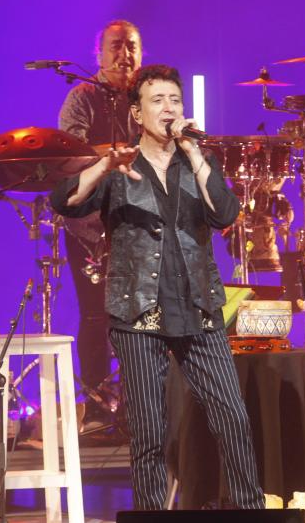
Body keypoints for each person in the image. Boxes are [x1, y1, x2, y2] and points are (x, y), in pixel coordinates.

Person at [50, 64, 265, 510]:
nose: (168, 109)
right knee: (149, 432)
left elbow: (225, 213)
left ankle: (250, 510)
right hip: (138, 312)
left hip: (199, 309)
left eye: (175, 100)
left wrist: (196, 152)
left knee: (233, 418)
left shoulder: (199, 163)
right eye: (157, 101)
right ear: (137, 114)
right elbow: (64, 202)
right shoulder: (116, 168)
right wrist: (105, 163)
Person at [58, 19, 142, 428]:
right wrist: (117, 152)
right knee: (96, 315)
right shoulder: (82, 96)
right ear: (100, 53)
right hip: (89, 226)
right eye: (117, 46)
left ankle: (136, 406)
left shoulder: (148, 96)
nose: (125, 55)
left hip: (138, 224)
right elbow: (68, 153)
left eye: (132, 46)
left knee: (141, 315)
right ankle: (95, 404)